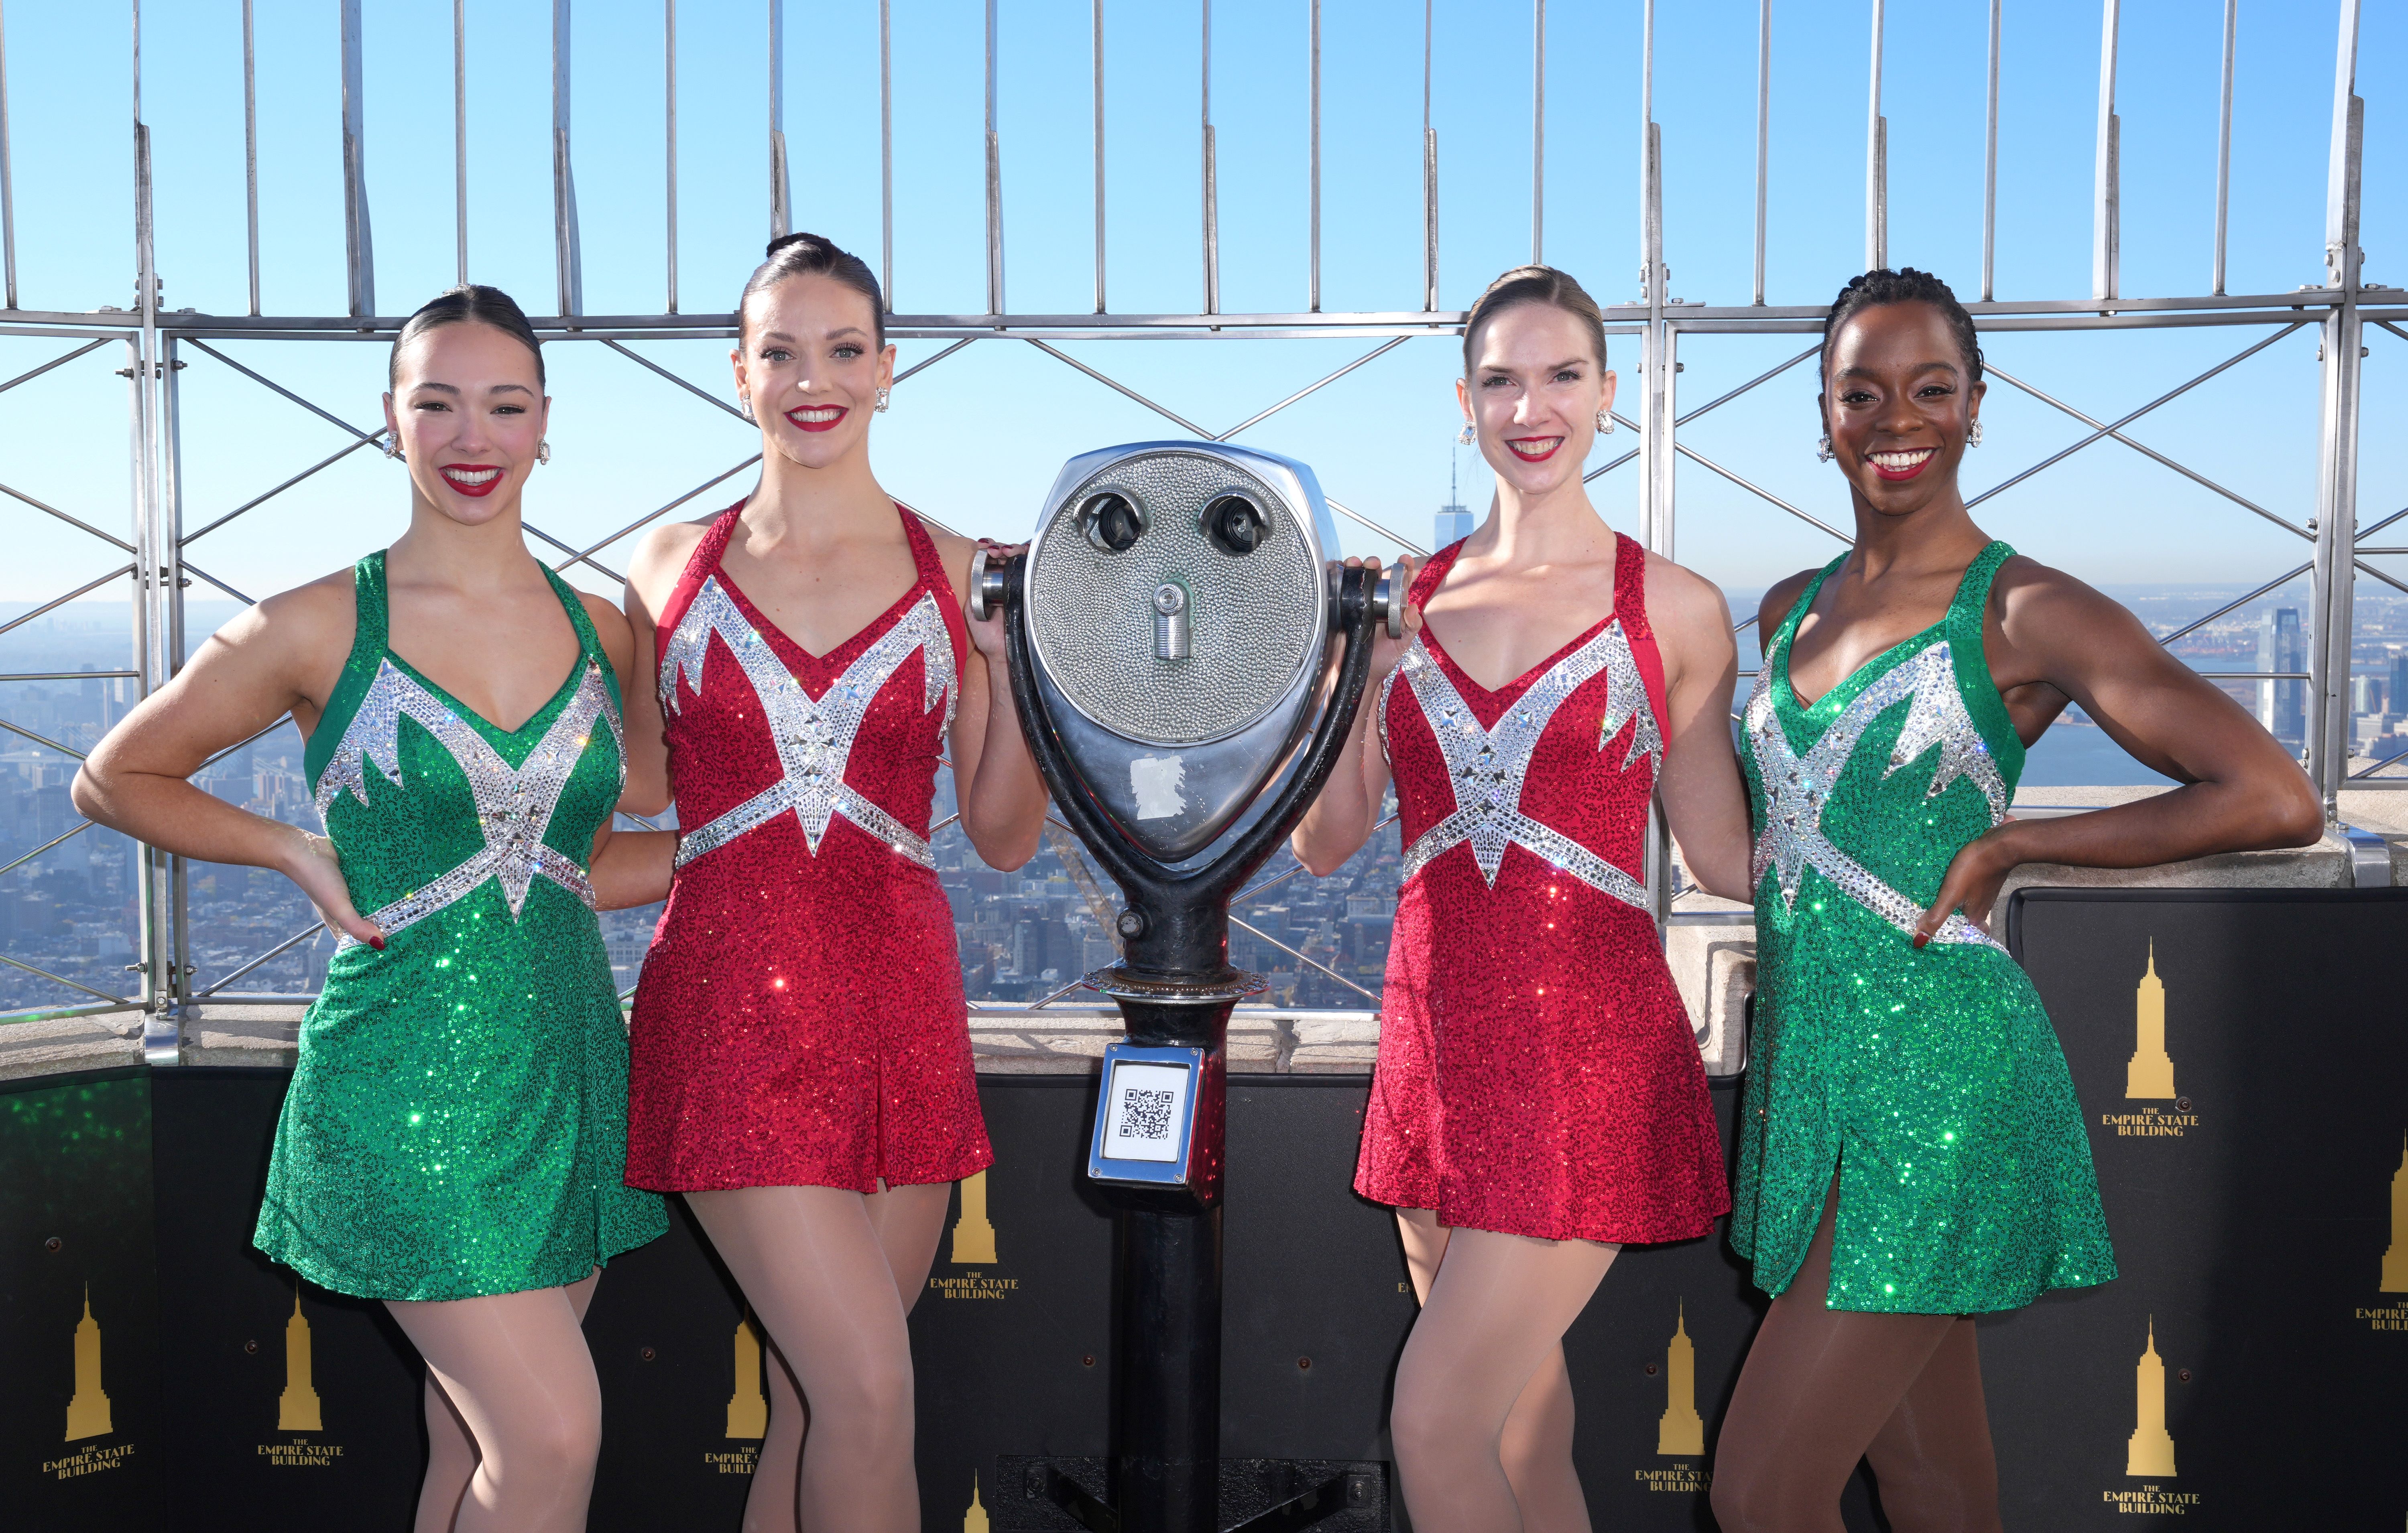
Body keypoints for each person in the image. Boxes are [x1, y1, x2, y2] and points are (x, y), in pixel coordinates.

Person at [1707, 267, 2323, 1533]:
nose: (1898, 417)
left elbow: (2271, 793)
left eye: (1933, 387)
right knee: (1930, 1481)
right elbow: (1761, 845)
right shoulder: (1785, 608)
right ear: (1823, 412)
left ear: (1978, 406)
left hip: (1942, 1078)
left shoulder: (2026, 609)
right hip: (1812, 1073)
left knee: (1764, 1495)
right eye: (1862, 390)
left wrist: (2016, 851)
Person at [73, 286, 673, 1533]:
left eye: (505, 405)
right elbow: (113, 776)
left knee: (469, 1452)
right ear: (388, 421)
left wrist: (756, 841)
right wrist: (293, 851)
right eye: (437, 402)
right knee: (554, 1439)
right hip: (405, 1089)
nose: (473, 436)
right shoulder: (314, 624)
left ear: (545, 425)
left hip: (567, 1076)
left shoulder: (607, 632)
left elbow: (588, 863)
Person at [1290, 264, 1757, 1533]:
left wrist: (1913, 868)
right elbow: (1334, 842)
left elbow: (1722, 853)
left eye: (1561, 377)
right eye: (1502, 379)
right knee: (1519, 1435)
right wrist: (1355, 675)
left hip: (1586, 1054)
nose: (1530, 406)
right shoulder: (1404, 602)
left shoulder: (1676, 607)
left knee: (1433, 1421)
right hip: (1437, 1047)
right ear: (1465, 401)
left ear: (1612, 395)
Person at [617, 232, 1047, 1533]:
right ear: (737, 372)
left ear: (888, 368)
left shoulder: (968, 568)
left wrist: (1014, 665)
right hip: (728, 1014)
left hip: (901, 1018)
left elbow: (1006, 832)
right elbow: (641, 791)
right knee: (867, 1392)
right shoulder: (664, 567)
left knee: (818, 1405)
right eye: (784, 352)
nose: (816, 379)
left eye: (845, 350)